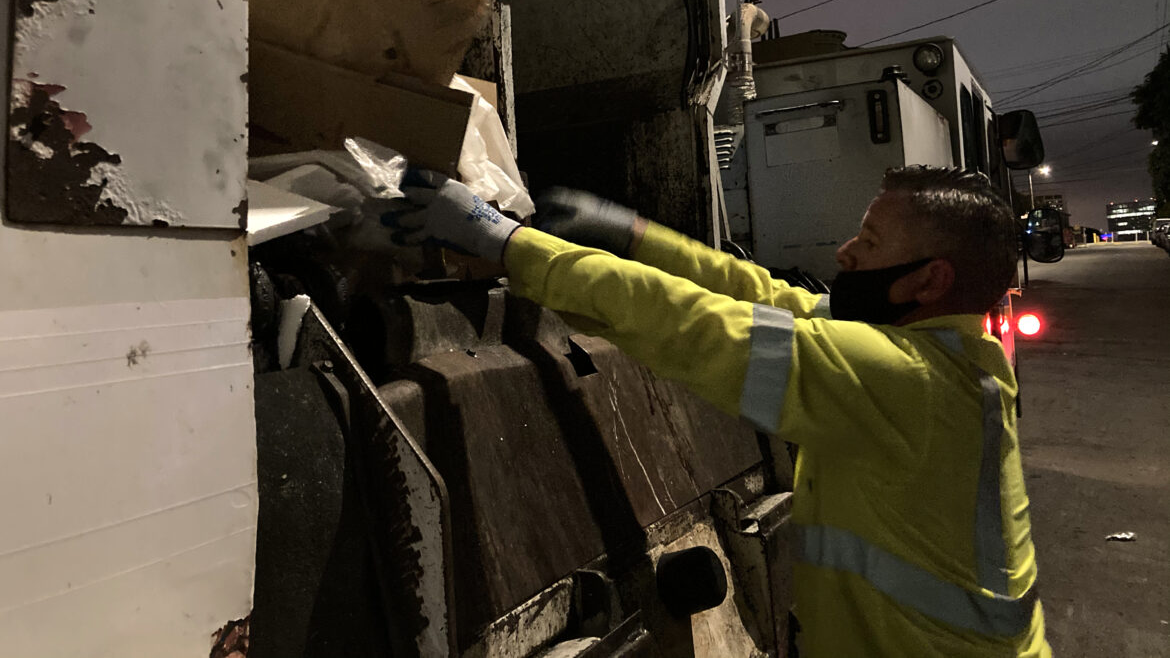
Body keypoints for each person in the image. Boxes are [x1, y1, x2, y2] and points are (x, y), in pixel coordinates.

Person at [384, 164, 1050, 658]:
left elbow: (701, 328)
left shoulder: (907, 380)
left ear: (931, 280)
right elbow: (759, 294)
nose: (847, 252)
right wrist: (637, 235)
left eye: (871, 243)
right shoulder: (936, 351)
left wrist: (508, 244)